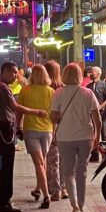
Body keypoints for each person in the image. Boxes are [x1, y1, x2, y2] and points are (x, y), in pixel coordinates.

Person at [0, 61, 49, 212]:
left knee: (2, 166)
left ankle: (1, 199)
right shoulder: (2, 87)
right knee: (7, 166)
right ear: (5, 71)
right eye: (14, 72)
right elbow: (15, 107)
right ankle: (5, 200)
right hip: (4, 129)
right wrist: (37, 112)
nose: (16, 76)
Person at [50, 62, 102, 212]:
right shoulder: (87, 93)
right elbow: (97, 119)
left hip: (65, 137)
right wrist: (97, 137)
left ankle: (74, 207)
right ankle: (81, 206)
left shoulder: (58, 93)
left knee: (68, 172)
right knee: (82, 172)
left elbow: (54, 117)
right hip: (85, 136)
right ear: (80, 76)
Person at [17, 63, 53, 209]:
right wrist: (55, 129)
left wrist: (17, 126)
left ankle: (46, 195)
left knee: (39, 164)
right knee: (42, 162)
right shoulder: (51, 91)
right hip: (48, 130)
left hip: (31, 130)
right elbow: (56, 112)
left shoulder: (25, 90)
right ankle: (38, 190)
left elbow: (19, 111)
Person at [44, 59, 67, 202]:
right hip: (65, 128)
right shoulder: (63, 88)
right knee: (64, 160)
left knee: (52, 161)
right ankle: (64, 189)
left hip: (49, 127)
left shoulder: (44, 89)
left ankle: (55, 191)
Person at [86, 67, 106, 156]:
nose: (90, 74)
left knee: (104, 135)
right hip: (91, 114)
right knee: (92, 134)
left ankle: (105, 155)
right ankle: (94, 153)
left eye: (93, 72)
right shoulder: (88, 86)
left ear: (98, 73)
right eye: (90, 72)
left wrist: (99, 107)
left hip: (103, 114)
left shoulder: (105, 85)